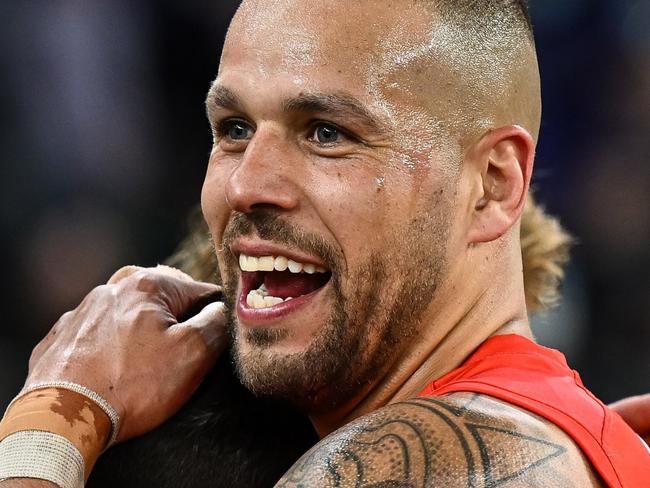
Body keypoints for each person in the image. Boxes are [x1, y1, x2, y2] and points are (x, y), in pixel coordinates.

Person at [1, 0, 649, 487]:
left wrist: (53, 420)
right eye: (232, 128)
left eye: (326, 133)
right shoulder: (539, 438)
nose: (246, 184)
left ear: (491, 183)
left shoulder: (432, 462)